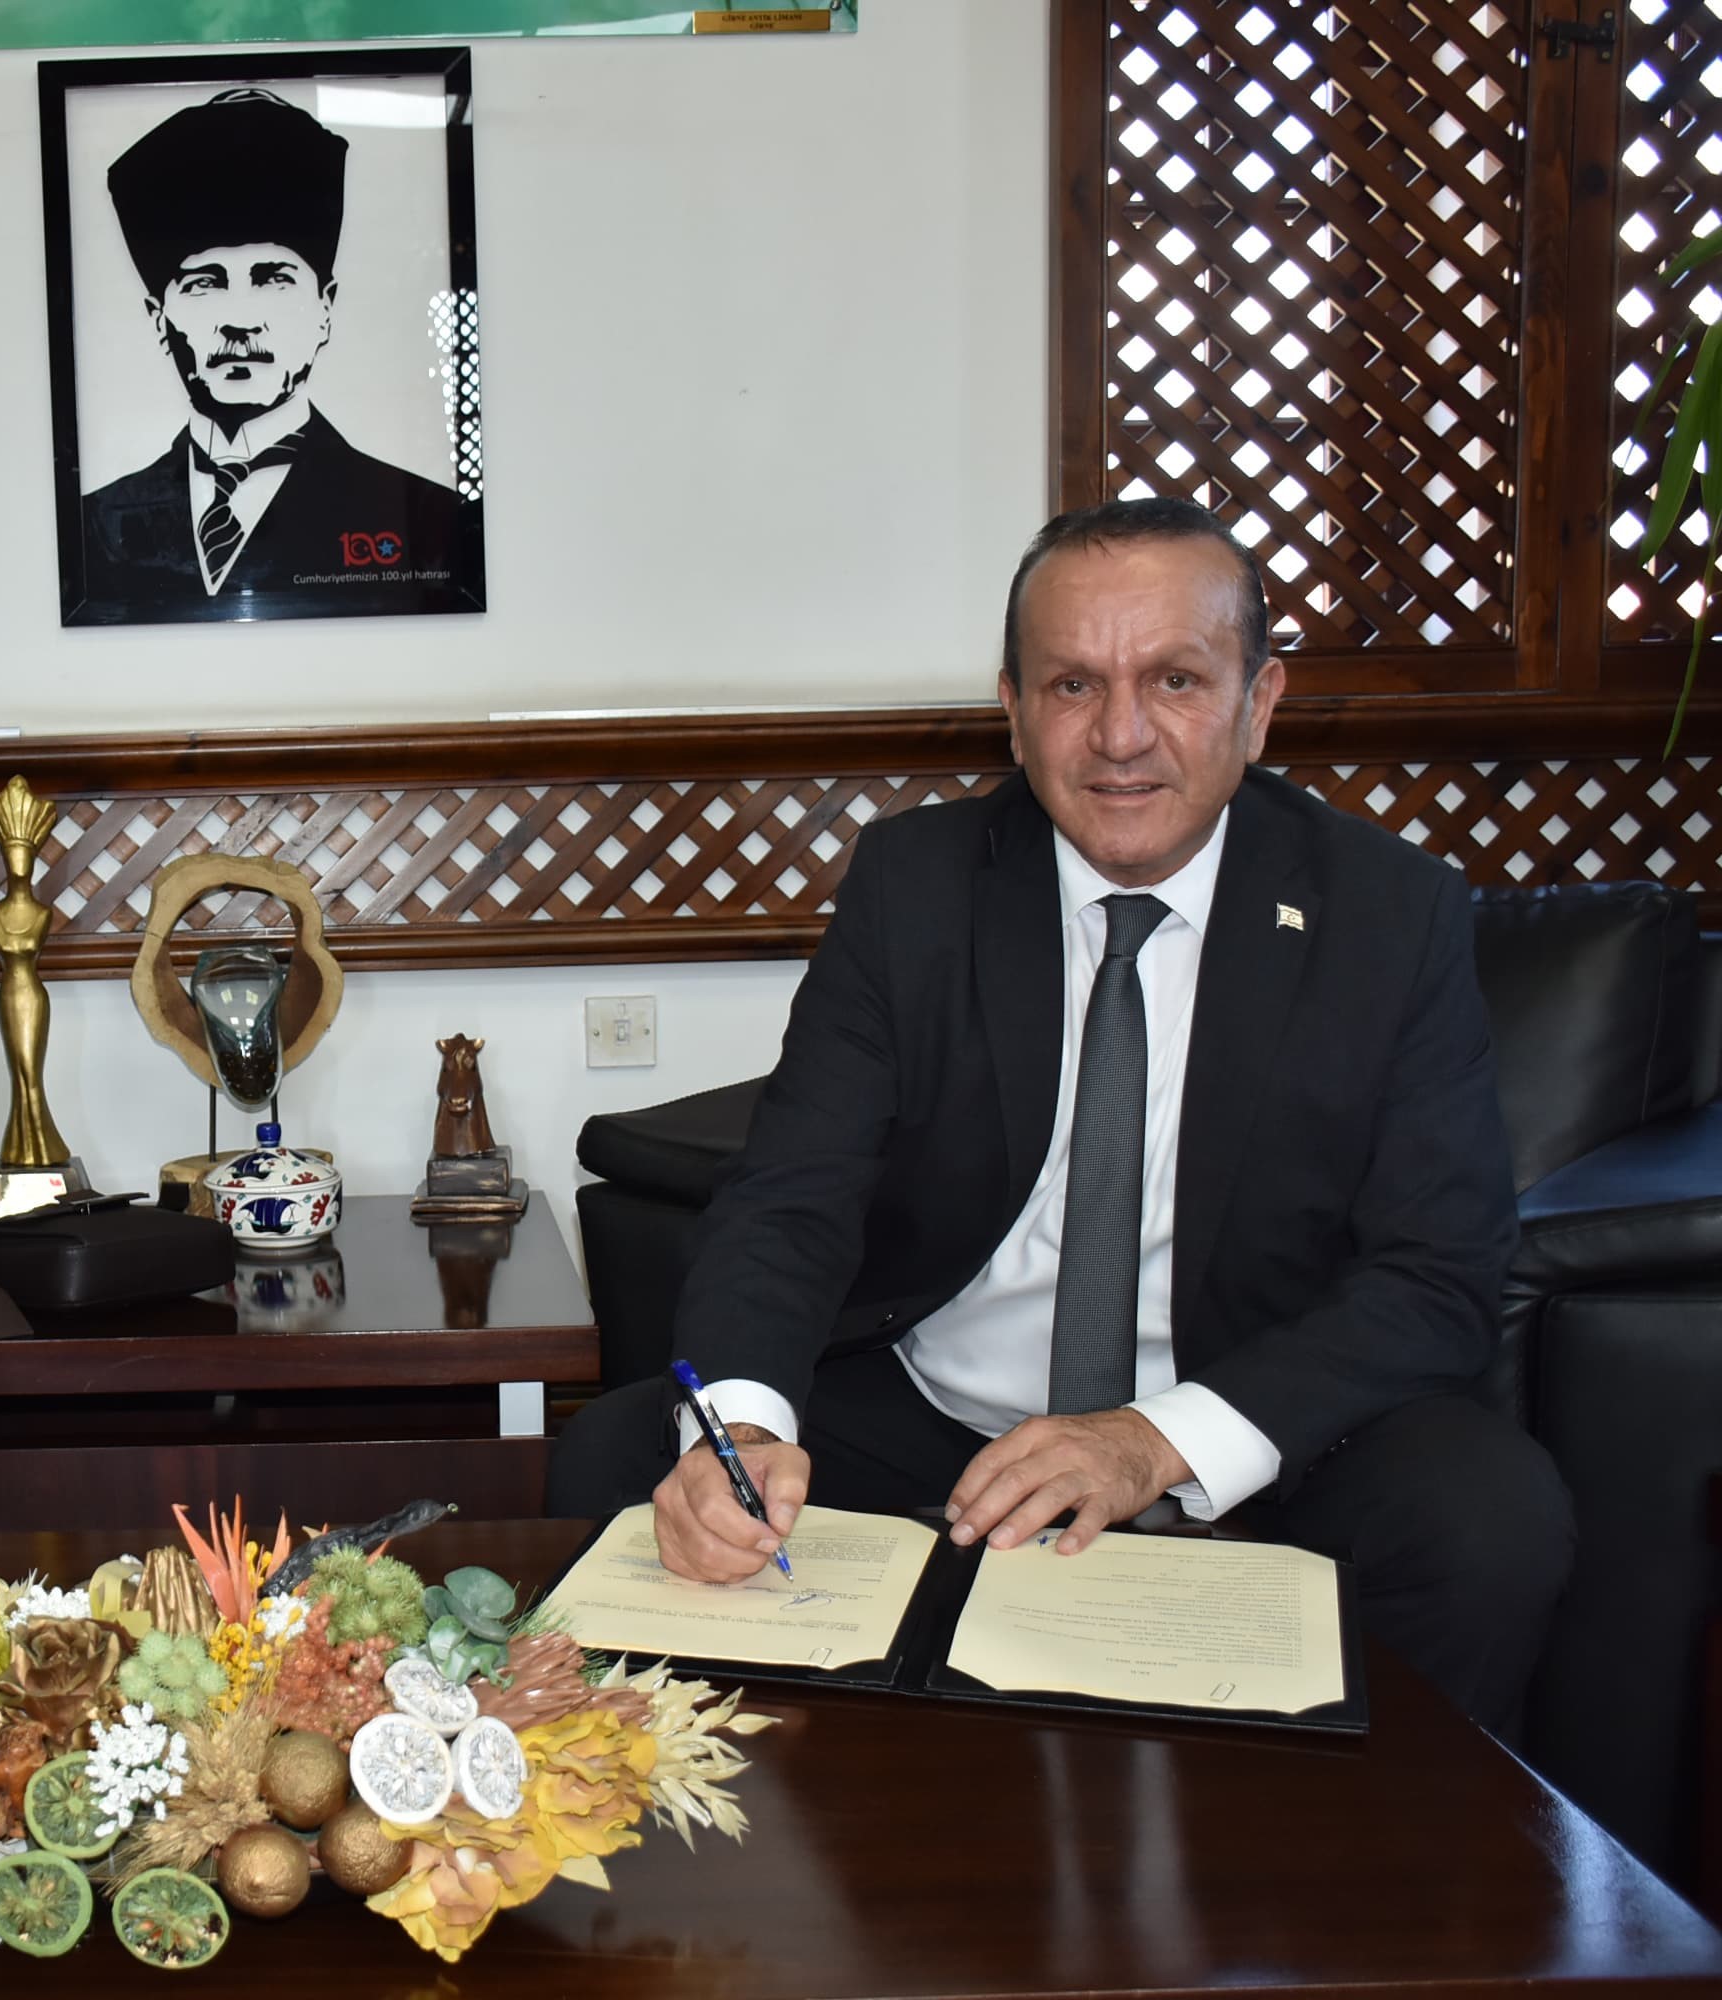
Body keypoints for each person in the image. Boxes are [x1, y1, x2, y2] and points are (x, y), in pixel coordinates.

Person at [546, 497, 1572, 1736]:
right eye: (1073, 684)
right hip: (946, 1423)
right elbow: (792, 1192)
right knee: (622, 1461)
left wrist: (1152, 1441)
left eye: (1175, 679)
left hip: (1248, 1426)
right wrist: (741, 1434)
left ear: (1258, 703)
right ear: (1014, 710)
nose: (1121, 736)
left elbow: (1437, 1272)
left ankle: (1369, 1852)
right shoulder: (917, 886)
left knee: (1487, 1514)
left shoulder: (1387, 915)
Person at [76, 87, 464, 619]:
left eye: (274, 280)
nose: (240, 320)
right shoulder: (94, 527)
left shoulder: (425, 518)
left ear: (325, 309)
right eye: (204, 284)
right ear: (158, 319)